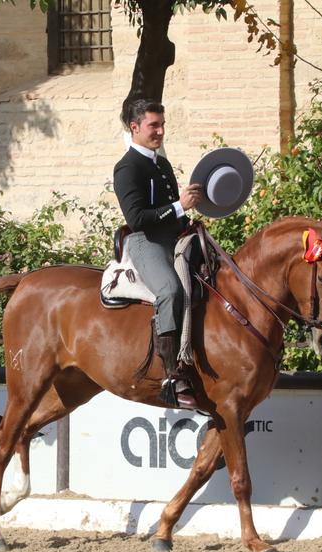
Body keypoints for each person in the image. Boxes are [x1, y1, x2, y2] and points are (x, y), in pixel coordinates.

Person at [113, 98, 203, 408]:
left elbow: (173, 212)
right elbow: (137, 218)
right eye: (154, 125)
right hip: (145, 242)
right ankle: (171, 375)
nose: (160, 131)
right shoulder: (126, 167)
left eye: (162, 125)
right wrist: (180, 205)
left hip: (175, 238)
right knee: (169, 290)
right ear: (134, 127)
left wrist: (189, 216)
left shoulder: (160, 164)